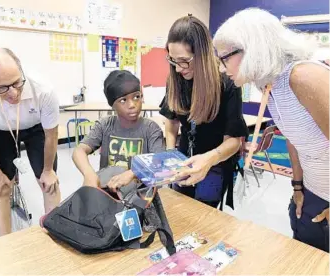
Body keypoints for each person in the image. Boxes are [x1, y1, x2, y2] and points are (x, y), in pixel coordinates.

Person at [213, 8, 329, 252]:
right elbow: (294, 140)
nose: (222, 68)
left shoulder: (303, 75)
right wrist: (298, 187)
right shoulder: (271, 86)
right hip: (312, 193)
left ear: (252, 49)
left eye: (224, 58)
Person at [0, 48, 60, 236]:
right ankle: (5, 244)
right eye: (2, 88)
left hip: (36, 128)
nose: (14, 93)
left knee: (49, 183)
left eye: (17, 83)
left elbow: (51, 135)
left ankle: (56, 235)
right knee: (1, 186)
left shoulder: (43, 90)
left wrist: (48, 171)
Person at [159, 15, 249, 209]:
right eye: (173, 60)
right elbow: (172, 122)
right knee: (180, 208)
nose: (178, 68)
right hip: (183, 160)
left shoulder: (227, 83)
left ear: (202, 54)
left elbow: (233, 141)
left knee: (204, 215)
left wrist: (208, 159)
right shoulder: (175, 79)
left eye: (184, 61)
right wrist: (170, 152)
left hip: (215, 163)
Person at [72, 70, 165, 191]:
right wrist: (89, 174)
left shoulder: (151, 129)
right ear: (112, 105)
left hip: (141, 196)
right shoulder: (105, 125)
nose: (132, 104)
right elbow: (79, 151)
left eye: (137, 97)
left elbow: (160, 162)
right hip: (110, 194)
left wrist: (133, 173)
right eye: (123, 100)